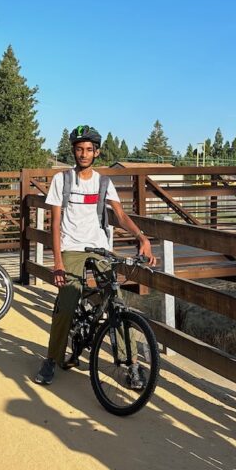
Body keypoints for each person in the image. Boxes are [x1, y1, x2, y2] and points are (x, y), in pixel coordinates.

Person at [32, 125, 156, 386]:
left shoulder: (103, 182)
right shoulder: (62, 180)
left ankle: (131, 365)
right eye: (79, 149)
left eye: (89, 149)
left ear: (96, 153)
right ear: (74, 152)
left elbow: (120, 215)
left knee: (116, 303)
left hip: (100, 248)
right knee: (66, 303)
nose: (84, 154)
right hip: (71, 248)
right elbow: (54, 224)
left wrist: (142, 237)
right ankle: (51, 360)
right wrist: (56, 262)